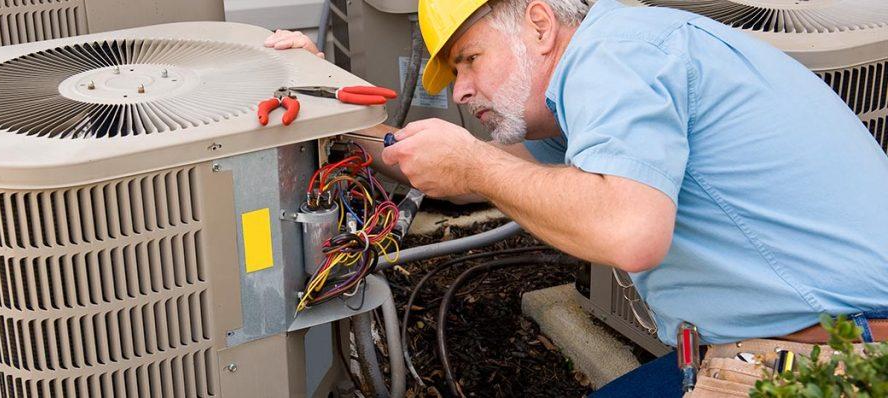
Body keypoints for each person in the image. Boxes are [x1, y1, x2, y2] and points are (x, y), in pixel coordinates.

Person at [266, 0, 888, 395]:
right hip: (794, 338)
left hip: (838, 357)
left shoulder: (612, 56)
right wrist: (328, 100)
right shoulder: (603, 70)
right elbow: (444, 164)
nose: (460, 91)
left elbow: (629, 232)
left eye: (469, 60)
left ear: (538, 23)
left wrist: (475, 162)